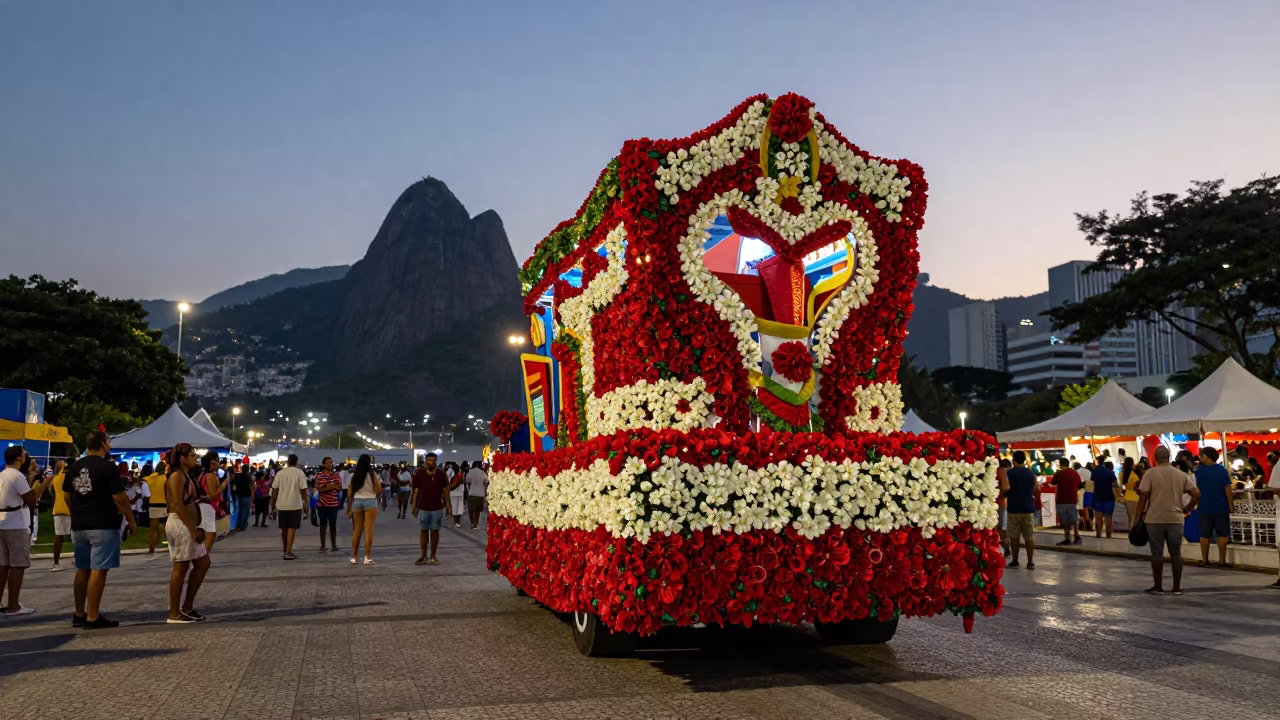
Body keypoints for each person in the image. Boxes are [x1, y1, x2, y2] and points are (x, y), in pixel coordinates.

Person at [63, 430, 135, 628]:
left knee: (82, 568)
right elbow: (119, 497)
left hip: (79, 525)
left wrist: (76, 512)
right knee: (99, 569)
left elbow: (67, 495)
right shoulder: (108, 467)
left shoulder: (74, 466)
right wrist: (131, 519)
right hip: (102, 523)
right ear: (104, 444)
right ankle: (93, 616)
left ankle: (79, 613)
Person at [1136, 445, 1200, 595]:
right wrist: (1187, 508)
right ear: (1170, 457)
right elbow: (1196, 494)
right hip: (1176, 518)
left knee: (1156, 553)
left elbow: (1143, 497)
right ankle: (1176, 587)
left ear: (1155, 458)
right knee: (1176, 554)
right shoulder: (1180, 474)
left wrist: (1137, 518)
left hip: (1154, 518)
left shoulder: (1150, 473)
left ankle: (1158, 586)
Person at [1, 447, 55, 616]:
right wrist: (45, 483)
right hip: (15, 523)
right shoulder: (17, 476)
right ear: (18, 458)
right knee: (18, 565)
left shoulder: (2, 474)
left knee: (3, 565)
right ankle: (13, 605)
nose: (26, 457)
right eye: (24, 455)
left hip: (2, 521)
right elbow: (32, 500)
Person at [164, 444, 210, 623]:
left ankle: (187, 607)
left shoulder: (185, 475)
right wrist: (192, 528)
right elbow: (176, 504)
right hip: (181, 524)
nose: (195, 457)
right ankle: (174, 613)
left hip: (189, 524)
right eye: (191, 455)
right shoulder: (176, 476)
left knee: (203, 563)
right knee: (180, 567)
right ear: (181, 458)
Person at [1194, 446, 1233, 568]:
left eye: (1202, 455)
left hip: (1204, 507)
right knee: (1222, 534)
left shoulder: (1198, 471)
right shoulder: (1221, 470)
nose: (1200, 457)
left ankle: (1205, 560)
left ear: (1207, 456)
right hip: (1221, 507)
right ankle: (1222, 561)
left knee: (1204, 534)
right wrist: (1230, 504)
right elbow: (1227, 488)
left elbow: (1195, 489)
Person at [409, 454, 448, 565]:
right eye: (429, 460)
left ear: (435, 462)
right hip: (423, 507)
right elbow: (415, 491)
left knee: (435, 530)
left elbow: (445, 490)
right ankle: (423, 555)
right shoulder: (420, 473)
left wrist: (448, 505)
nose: (431, 462)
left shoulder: (440, 474)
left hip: (437, 507)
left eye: (433, 460)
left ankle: (433, 556)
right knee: (424, 530)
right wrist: (413, 506)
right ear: (425, 461)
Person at [1002, 451, 1037, 570]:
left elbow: (1005, 489)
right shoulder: (1031, 473)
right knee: (1029, 535)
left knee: (1014, 536)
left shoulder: (1009, 473)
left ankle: (1015, 560)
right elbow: (1036, 488)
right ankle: (1030, 562)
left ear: (1014, 460)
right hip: (1028, 508)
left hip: (1013, 508)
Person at [270, 454, 309, 561]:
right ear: (297, 462)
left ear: (288, 462)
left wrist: (272, 505)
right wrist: (306, 505)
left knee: (284, 528)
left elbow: (274, 490)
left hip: (281, 504)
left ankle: (284, 549)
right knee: (292, 528)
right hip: (295, 504)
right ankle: (288, 551)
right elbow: (304, 490)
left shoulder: (280, 473)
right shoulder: (300, 473)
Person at [346, 454, 381, 564]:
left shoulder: (353, 476)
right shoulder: (372, 475)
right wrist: (374, 496)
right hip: (370, 501)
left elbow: (349, 494)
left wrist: (348, 509)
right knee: (368, 530)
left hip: (357, 502)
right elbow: (379, 490)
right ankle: (367, 556)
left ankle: (354, 557)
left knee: (357, 530)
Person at [196, 452, 226, 553]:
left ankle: (202, 557)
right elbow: (213, 494)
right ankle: (204, 557)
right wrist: (223, 485)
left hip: (202, 506)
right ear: (212, 462)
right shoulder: (210, 475)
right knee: (210, 534)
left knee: (206, 534)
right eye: (217, 461)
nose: (219, 463)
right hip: (208, 507)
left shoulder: (202, 474)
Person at [313, 457, 341, 552]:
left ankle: (334, 545)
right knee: (323, 524)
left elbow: (339, 487)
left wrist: (326, 486)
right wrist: (332, 486)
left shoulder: (336, 474)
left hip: (333, 504)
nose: (331, 464)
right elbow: (319, 489)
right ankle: (323, 545)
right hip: (322, 504)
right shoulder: (319, 475)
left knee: (333, 524)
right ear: (324, 464)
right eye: (329, 463)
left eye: (332, 463)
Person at [1052, 458, 1082, 546]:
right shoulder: (1075, 473)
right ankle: (1077, 537)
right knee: (1074, 519)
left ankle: (1067, 538)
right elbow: (1079, 485)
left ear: (1061, 464)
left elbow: (1052, 483)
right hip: (1073, 499)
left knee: (1065, 520)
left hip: (1061, 500)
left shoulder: (1059, 473)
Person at [145, 460, 169, 555]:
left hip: (153, 503)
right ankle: (170, 546)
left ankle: (151, 548)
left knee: (153, 529)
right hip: (164, 503)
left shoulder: (150, 478)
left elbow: (143, 480)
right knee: (168, 526)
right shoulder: (166, 478)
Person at [49, 458, 69, 571]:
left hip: (57, 508)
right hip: (68, 509)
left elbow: (52, 492)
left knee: (59, 537)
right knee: (77, 537)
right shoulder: (67, 477)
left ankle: (56, 563)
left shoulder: (55, 478)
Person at [1091, 460, 1118, 538]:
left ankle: (1098, 534)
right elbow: (1116, 484)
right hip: (1109, 497)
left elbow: (1091, 483)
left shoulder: (1095, 472)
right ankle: (1108, 534)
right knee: (1108, 517)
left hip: (1097, 497)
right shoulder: (1110, 473)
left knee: (1098, 517)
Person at [464, 461, 487, 530]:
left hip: (472, 493)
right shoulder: (483, 473)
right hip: (480, 494)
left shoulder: (470, 472)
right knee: (477, 510)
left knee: (471, 510)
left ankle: (473, 523)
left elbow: (467, 481)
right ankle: (475, 524)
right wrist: (483, 487)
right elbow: (486, 481)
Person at [231, 461, 253, 532]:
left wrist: (234, 492)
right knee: (245, 511)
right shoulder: (248, 476)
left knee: (240, 511)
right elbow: (252, 486)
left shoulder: (237, 476)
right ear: (248, 470)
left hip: (239, 495)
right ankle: (243, 525)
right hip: (246, 495)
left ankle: (238, 525)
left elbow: (234, 485)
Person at [995, 458, 1010, 557]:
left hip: (998, 503)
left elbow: (1005, 488)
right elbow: (1005, 488)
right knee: (1001, 527)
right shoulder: (1002, 471)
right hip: (1001, 503)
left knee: (999, 527)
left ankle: (1005, 548)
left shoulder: (999, 471)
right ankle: (1005, 548)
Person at [1121, 457, 1142, 526]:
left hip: (1127, 496)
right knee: (1135, 518)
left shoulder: (1122, 474)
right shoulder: (1134, 475)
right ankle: (1134, 534)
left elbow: (1122, 483)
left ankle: (1131, 533)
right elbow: (1138, 486)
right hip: (1135, 497)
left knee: (1130, 518)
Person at [448, 461, 468, 528]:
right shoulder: (462, 476)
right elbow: (464, 484)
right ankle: (458, 522)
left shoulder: (453, 478)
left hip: (453, 494)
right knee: (459, 508)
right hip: (460, 494)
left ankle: (455, 521)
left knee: (454, 508)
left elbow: (450, 486)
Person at [1076, 462, 1093, 532]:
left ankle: (1084, 524)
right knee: (1087, 509)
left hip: (1081, 491)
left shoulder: (1077, 471)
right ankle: (1089, 525)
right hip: (1090, 491)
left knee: (1082, 509)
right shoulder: (1089, 472)